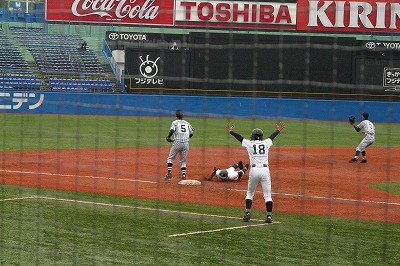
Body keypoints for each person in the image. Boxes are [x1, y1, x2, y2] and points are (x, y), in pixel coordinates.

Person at [226, 121, 285, 223]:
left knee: (250, 192)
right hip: (265, 170)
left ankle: (248, 213)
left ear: (253, 136)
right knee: (267, 195)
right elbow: (272, 137)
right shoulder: (266, 143)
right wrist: (278, 130)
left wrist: (231, 131)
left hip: (254, 170)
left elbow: (240, 138)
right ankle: (269, 216)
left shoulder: (250, 144)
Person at [164, 110, 194, 180]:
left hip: (177, 142)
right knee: (183, 160)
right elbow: (192, 133)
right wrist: (187, 138)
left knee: (170, 158)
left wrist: (168, 136)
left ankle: (169, 173)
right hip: (186, 143)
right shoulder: (187, 123)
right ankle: (183, 175)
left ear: (176, 116)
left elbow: (172, 130)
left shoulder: (175, 122)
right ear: (182, 116)